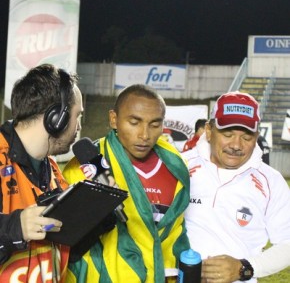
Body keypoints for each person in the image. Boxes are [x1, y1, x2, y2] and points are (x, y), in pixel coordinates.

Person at [63, 84, 190, 283]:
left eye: (155, 124)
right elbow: (69, 244)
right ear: (114, 119)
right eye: (134, 122)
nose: (145, 135)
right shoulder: (84, 167)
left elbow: (176, 232)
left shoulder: (175, 164)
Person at [183, 91, 290, 283]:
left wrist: (244, 268)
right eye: (228, 134)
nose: (236, 145)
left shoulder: (272, 182)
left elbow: (287, 244)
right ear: (209, 131)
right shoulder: (180, 166)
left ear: (257, 136)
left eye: (247, 137)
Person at [0, 64, 83, 282]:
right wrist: (14, 227)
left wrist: (99, 212)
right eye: (78, 116)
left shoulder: (53, 170)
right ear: (56, 118)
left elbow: (69, 249)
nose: (78, 127)